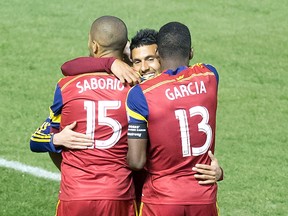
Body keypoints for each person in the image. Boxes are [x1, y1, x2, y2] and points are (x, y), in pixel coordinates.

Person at [59, 28, 223, 185]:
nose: (144, 68)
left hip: (155, 191)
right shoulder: (132, 88)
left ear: (161, 56)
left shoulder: (155, 94)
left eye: (150, 59)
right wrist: (111, 63)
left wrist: (218, 172)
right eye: (137, 61)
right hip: (131, 188)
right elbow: (68, 67)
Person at [31, 16, 138, 216]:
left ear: (94, 46)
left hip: (76, 194)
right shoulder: (135, 87)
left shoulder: (67, 86)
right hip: (119, 193)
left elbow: (40, 139)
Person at [126, 22, 220, 216]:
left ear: (158, 53)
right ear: (191, 52)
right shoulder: (210, 76)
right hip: (203, 195)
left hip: (162, 198)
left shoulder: (141, 94)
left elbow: (136, 162)